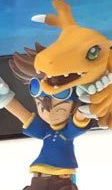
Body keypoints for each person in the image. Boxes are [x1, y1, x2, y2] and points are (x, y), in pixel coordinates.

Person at [0, 45, 91, 190]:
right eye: (39, 99)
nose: (48, 109)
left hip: (44, 181)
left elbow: (80, 119)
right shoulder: (47, 132)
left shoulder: (62, 133)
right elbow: (23, 115)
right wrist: (4, 98)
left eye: (61, 94)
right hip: (54, 181)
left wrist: (89, 105)